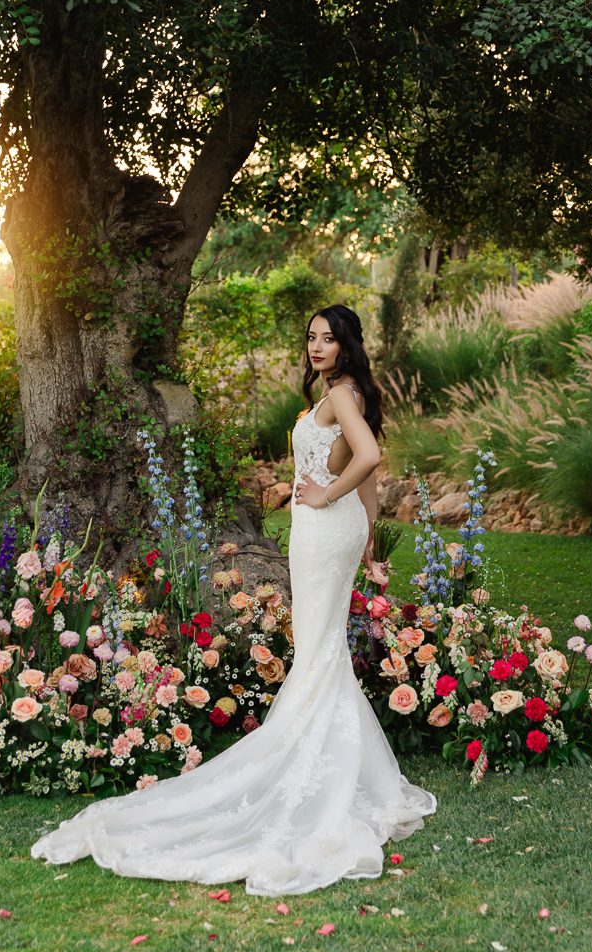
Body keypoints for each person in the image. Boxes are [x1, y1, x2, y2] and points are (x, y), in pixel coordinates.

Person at [29, 303, 437, 895]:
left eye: (327, 339)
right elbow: (368, 476)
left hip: (325, 530)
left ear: (346, 346)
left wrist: (324, 498)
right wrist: (368, 539)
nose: (316, 346)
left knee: (319, 651)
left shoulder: (342, 395)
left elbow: (369, 459)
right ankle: (342, 767)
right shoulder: (341, 394)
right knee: (323, 651)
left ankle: (316, 770)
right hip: (334, 531)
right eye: (310, 337)